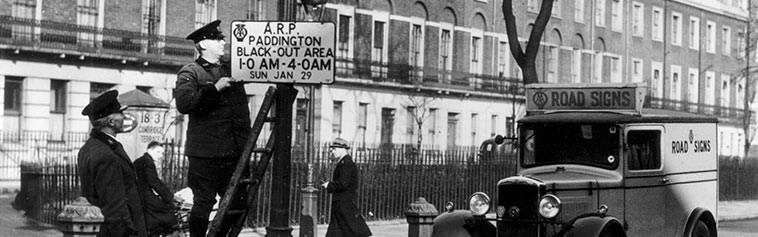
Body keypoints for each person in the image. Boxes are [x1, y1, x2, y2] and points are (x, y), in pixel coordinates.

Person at [174, 19, 251, 237]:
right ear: (203, 44)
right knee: (204, 203)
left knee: (239, 203)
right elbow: (184, 103)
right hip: (205, 154)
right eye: (217, 39)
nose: (223, 42)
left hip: (235, 151)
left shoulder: (231, 68)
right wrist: (215, 89)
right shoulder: (191, 72)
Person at [78, 90, 147, 237]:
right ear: (111, 121)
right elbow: (114, 208)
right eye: (121, 114)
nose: (124, 117)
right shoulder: (106, 154)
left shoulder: (90, 147)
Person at [322, 138, 372, 237]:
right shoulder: (344, 162)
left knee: (349, 231)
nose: (332, 151)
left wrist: (329, 185)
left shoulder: (346, 163)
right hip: (342, 204)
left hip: (344, 204)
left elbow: (344, 183)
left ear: (342, 149)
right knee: (340, 231)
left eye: (334, 149)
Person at [134, 141, 184, 236]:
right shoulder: (148, 162)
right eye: (158, 152)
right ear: (150, 150)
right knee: (168, 211)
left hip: (139, 195)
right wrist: (170, 197)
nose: (160, 156)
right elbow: (154, 182)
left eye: (161, 153)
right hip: (145, 196)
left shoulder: (140, 160)